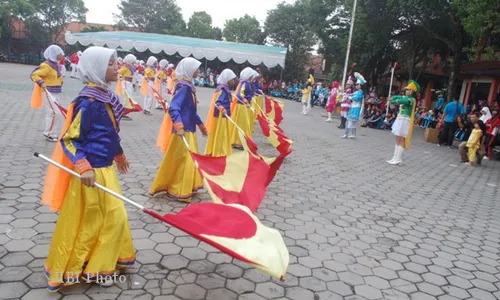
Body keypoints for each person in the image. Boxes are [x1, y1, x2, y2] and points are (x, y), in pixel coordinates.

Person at [41, 46, 135, 292]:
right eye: (111, 63)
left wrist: (119, 155)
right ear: (96, 68)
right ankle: (89, 267)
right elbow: (70, 139)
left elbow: (108, 133)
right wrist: (83, 167)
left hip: (106, 171)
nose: (117, 66)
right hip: (90, 175)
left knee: (112, 218)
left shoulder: (104, 97)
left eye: (116, 62)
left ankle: (99, 265)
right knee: (95, 221)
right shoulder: (88, 102)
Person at [149, 57, 206, 201]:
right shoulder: (184, 88)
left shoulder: (189, 86)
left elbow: (191, 110)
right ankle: (178, 188)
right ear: (189, 69)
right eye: (197, 68)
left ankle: (185, 185)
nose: (199, 71)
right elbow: (174, 108)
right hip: (183, 131)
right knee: (183, 159)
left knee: (186, 159)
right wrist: (179, 126)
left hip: (189, 130)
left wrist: (200, 125)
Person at [30, 45, 65, 142]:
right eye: (60, 53)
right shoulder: (46, 65)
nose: (62, 55)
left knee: (51, 113)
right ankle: (51, 134)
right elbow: (34, 74)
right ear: (54, 54)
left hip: (56, 92)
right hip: (48, 92)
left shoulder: (57, 65)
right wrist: (41, 83)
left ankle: (50, 132)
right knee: (56, 113)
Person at [204, 69, 237, 156]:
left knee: (219, 134)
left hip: (222, 115)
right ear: (227, 79)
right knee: (220, 134)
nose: (233, 82)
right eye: (232, 79)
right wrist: (222, 109)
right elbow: (218, 102)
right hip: (220, 116)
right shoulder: (222, 89)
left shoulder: (223, 88)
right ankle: (219, 152)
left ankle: (215, 150)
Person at [386, 80, 419, 165]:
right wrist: (392, 97)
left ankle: (398, 158)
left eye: (408, 89)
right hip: (400, 118)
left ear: (412, 91)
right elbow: (398, 97)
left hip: (405, 120)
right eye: (406, 89)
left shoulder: (412, 100)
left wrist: (392, 101)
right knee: (397, 138)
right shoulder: (404, 97)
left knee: (401, 138)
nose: (406, 91)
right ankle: (394, 157)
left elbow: (403, 101)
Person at [229, 67, 255, 150]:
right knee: (241, 124)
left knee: (243, 124)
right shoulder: (244, 83)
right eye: (251, 75)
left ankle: (241, 141)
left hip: (244, 107)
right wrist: (246, 101)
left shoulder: (248, 83)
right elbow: (240, 95)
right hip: (241, 107)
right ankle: (237, 142)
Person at [343, 73, 366, 139]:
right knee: (352, 122)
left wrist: (350, 97)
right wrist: (348, 96)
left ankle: (346, 134)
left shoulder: (360, 92)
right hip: (353, 107)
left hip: (356, 108)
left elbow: (356, 98)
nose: (356, 86)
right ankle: (353, 134)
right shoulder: (357, 92)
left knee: (350, 121)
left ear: (360, 85)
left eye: (357, 85)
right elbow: (351, 95)